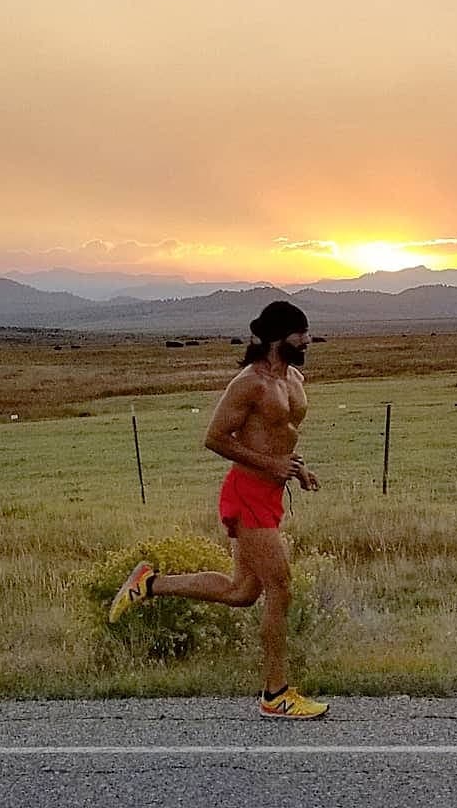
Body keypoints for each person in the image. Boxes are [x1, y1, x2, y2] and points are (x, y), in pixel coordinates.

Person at [108, 300, 327, 719]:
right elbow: (215, 438)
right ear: (278, 337)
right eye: (301, 332)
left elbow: (278, 436)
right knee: (280, 588)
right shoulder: (249, 383)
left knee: (241, 592)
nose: (307, 339)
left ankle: (149, 584)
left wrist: (295, 469)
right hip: (247, 492)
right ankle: (275, 694)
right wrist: (272, 465)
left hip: (271, 491)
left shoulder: (294, 377)